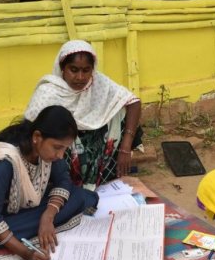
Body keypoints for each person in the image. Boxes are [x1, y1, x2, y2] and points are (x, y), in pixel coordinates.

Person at [0, 105, 99, 260]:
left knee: (82, 196)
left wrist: (48, 217)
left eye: (65, 148)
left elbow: (63, 181)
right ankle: (26, 230)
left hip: (27, 208)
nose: (61, 155)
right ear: (37, 137)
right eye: (57, 147)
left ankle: (32, 226)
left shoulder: (46, 152)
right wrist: (27, 253)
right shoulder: (5, 163)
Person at [24, 40, 142, 189]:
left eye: (86, 70)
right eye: (73, 70)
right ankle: (64, 187)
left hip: (95, 148)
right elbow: (30, 130)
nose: (80, 77)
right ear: (62, 68)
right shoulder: (48, 92)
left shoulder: (97, 82)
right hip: (64, 152)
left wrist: (126, 146)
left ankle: (104, 180)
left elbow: (133, 102)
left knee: (121, 112)